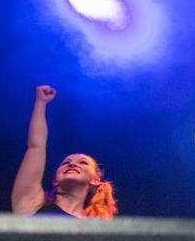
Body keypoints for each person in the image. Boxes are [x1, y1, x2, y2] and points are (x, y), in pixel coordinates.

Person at [11, 85, 118, 218]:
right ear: (55, 180)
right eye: (66, 163)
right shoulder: (32, 202)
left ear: (95, 180)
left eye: (83, 162)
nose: (72, 164)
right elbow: (36, 146)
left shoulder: (94, 224)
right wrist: (40, 103)